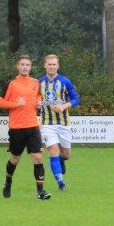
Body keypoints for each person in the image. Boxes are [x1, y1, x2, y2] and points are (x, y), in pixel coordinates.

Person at [0, 55, 50, 200]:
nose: (25, 67)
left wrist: (39, 103)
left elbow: (38, 98)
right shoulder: (11, 84)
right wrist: (16, 104)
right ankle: (8, 181)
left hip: (33, 126)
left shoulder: (36, 83)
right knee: (15, 158)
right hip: (17, 127)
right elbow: (0, 103)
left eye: (27, 65)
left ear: (30, 67)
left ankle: (40, 192)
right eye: (22, 64)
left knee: (38, 158)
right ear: (17, 66)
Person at [38, 54, 80, 191]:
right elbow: (33, 99)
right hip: (47, 123)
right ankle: (61, 183)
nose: (51, 67)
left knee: (66, 154)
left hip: (63, 123)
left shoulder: (65, 81)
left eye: (54, 64)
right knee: (53, 150)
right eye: (49, 64)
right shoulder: (39, 83)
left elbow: (76, 99)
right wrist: (36, 104)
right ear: (45, 65)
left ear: (58, 66)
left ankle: (62, 160)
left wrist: (63, 106)